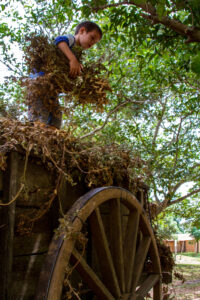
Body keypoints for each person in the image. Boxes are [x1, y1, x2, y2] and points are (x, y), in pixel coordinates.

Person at [28, 21, 102, 129]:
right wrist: (73, 59)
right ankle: (35, 130)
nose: (92, 44)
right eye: (92, 38)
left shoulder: (76, 53)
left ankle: (51, 136)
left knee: (56, 117)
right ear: (82, 31)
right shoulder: (71, 40)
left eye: (95, 43)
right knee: (40, 115)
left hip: (52, 90)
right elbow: (59, 40)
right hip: (40, 82)